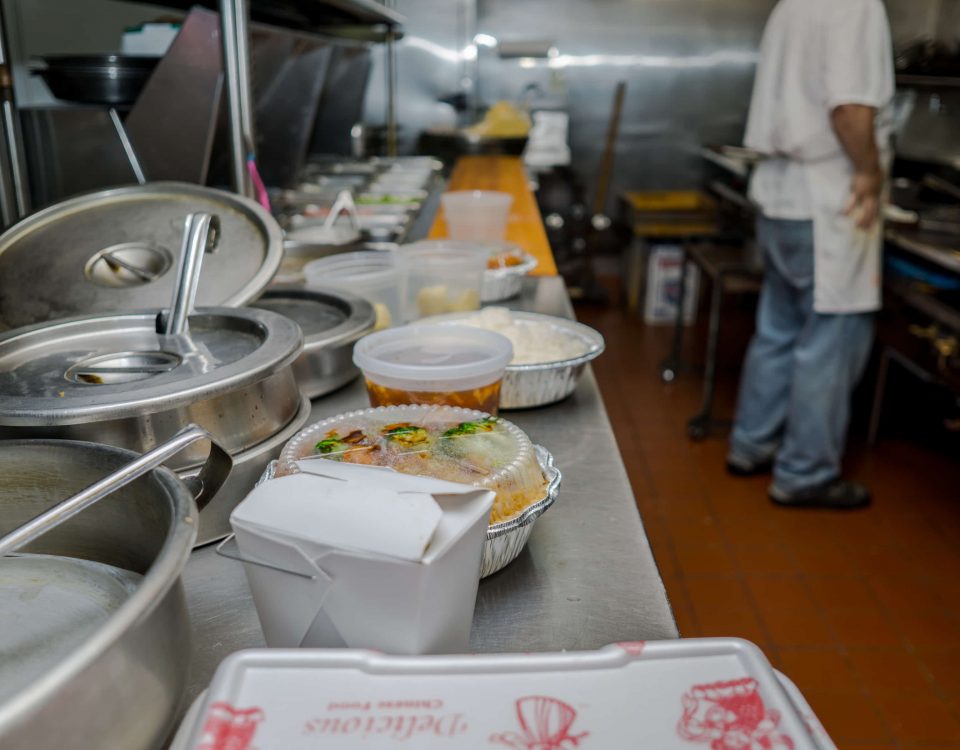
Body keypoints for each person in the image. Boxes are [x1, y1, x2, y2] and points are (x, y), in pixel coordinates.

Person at [727, 0, 895, 509]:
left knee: (778, 329)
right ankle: (804, 473)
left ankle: (752, 444)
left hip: (781, 196)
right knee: (830, 341)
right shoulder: (857, 5)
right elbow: (849, 108)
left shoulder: (792, 4)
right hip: (829, 197)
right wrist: (868, 171)